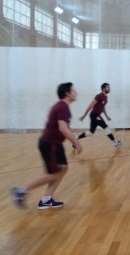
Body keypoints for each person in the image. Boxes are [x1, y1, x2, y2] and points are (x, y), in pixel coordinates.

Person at [10, 82, 82, 210]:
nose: (76, 92)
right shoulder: (63, 107)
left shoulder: (61, 106)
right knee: (54, 174)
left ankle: (46, 199)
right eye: (74, 90)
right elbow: (63, 128)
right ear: (67, 93)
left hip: (54, 144)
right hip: (50, 144)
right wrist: (76, 143)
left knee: (63, 168)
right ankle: (20, 191)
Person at [77, 83, 121, 148]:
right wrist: (84, 115)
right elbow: (90, 105)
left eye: (109, 87)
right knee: (106, 128)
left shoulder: (105, 97)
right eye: (107, 87)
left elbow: (103, 107)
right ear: (103, 89)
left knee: (91, 132)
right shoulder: (99, 96)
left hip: (96, 115)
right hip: (94, 115)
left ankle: (75, 139)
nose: (109, 88)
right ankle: (115, 142)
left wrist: (106, 116)